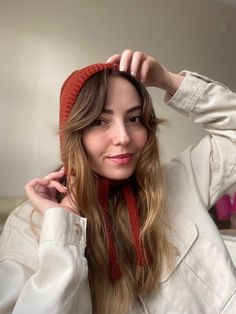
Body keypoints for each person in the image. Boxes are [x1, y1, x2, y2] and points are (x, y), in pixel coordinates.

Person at [0, 49, 236, 314]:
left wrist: (168, 81)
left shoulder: (180, 180)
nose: (123, 137)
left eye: (134, 119)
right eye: (100, 121)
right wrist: (63, 227)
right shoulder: (31, 223)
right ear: (74, 134)